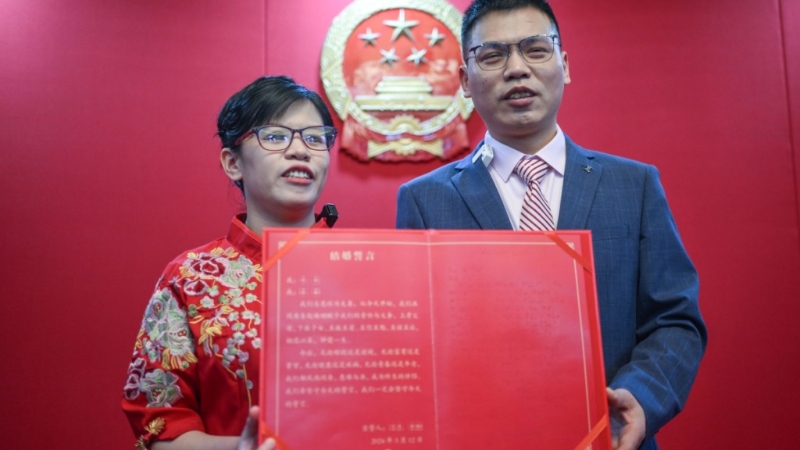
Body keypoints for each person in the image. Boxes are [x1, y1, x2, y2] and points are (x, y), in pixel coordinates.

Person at [395, 1, 707, 449]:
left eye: (536, 50)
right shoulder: (425, 200)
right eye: (492, 55)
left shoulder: (633, 185)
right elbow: (417, 342)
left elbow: (674, 319)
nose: (516, 69)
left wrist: (639, 399)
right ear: (465, 80)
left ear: (565, 65)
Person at [121, 75, 338, 450]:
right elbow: (160, 423)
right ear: (232, 163)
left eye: (315, 138)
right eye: (276, 136)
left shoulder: (371, 269)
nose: (300, 151)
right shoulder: (190, 278)